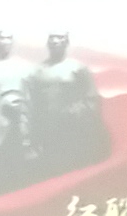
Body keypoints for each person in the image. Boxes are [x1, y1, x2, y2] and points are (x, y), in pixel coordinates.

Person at [21, 25, 108, 172]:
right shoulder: (36, 72)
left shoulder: (78, 69)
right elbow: (29, 105)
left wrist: (75, 114)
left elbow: (91, 99)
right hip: (46, 133)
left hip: (73, 132)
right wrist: (29, 137)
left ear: (66, 42)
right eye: (52, 38)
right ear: (47, 43)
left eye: (60, 38)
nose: (55, 41)